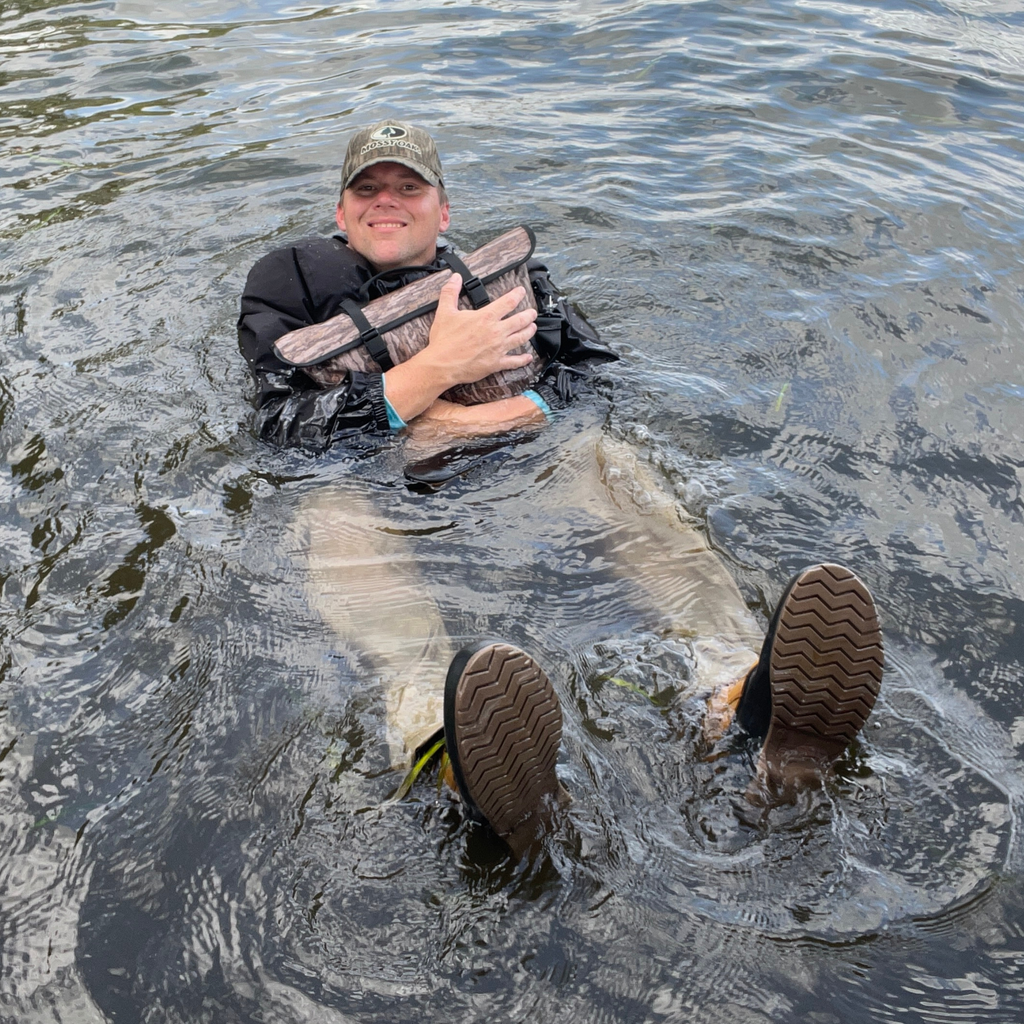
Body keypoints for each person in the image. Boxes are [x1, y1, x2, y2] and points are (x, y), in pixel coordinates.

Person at [238, 120, 884, 857]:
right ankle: (450, 757)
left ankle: (743, 695)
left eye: (408, 187)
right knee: (333, 521)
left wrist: (516, 412)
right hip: (370, 486)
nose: (388, 201)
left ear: (442, 211)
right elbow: (277, 428)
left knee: (605, 462)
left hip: (521, 465)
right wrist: (439, 370)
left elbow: (594, 372)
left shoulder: (510, 281)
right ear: (341, 213)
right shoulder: (286, 288)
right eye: (368, 189)